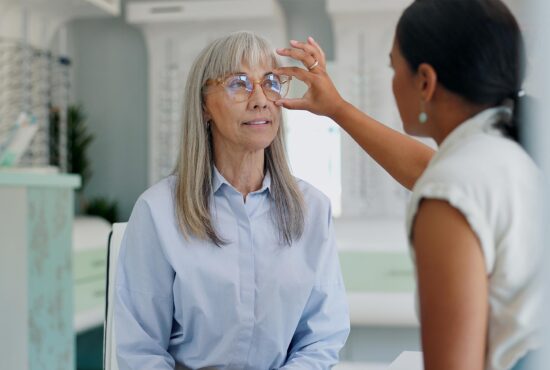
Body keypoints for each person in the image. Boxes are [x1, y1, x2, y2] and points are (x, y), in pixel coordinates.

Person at [274, 1, 543, 369]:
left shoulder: (451, 194)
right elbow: (432, 170)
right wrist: (337, 108)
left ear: (425, 82)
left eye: (393, 67)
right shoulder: (516, 150)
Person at [114, 31, 350, 370]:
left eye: (270, 82)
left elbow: (321, 339)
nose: (260, 99)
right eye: (238, 84)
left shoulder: (313, 209)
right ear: (204, 106)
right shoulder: (158, 211)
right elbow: (140, 351)